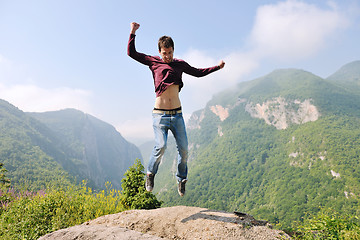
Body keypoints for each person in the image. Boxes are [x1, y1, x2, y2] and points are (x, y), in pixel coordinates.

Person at [127, 22, 225, 196]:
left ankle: (181, 179)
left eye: (170, 53)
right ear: (159, 52)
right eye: (164, 53)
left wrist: (217, 67)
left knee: (184, 150)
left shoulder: (180, 64)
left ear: (173, 50)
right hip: (160, 116)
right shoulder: (153, 61)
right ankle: (150, 174)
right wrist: (133, 32)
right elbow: (131, 53)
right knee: (161, 146)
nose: (167, 57)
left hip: (177, 114)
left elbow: (198, 72)